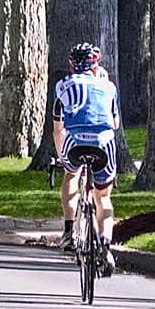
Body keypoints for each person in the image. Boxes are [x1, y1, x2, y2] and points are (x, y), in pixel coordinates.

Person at [49, 42, 120, 273]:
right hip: (104, 144)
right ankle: (105, 247)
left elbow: (58, 128)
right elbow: (115, 124)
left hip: (74, 143)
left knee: (71, 174)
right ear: (95, 64)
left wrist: (61, 157)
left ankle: (69, 232)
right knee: (103, 197)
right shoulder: (108, 86)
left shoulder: (62, 86)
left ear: (72, 64)